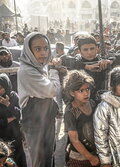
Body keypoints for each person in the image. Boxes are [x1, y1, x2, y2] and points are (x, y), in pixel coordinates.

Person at [17, 32, 60, 167]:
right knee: (39, 160)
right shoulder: (27, 71)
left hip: (46, 117)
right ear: (29, 50)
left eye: (46, 48)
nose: (43, 53)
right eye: (37, 49)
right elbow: (53, 90)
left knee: (49, 155)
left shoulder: (40, 66)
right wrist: (54, 71)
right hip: (34, 121)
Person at [63, 70, 99, 167]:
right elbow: (74, 140)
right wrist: (90, 157)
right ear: (72, 93)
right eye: (81, 91)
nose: (86, 93)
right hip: (79, 158)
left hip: (95, 152)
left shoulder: (93, 103)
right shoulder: (71, 112)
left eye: (87, 89)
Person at [0, 74, 26, 167]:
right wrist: (9, 119)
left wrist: (8, 104)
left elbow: (21, 114)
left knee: (20, 160)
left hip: (15, 136)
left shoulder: (13, 96)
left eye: (1, 87)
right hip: (2, 139)